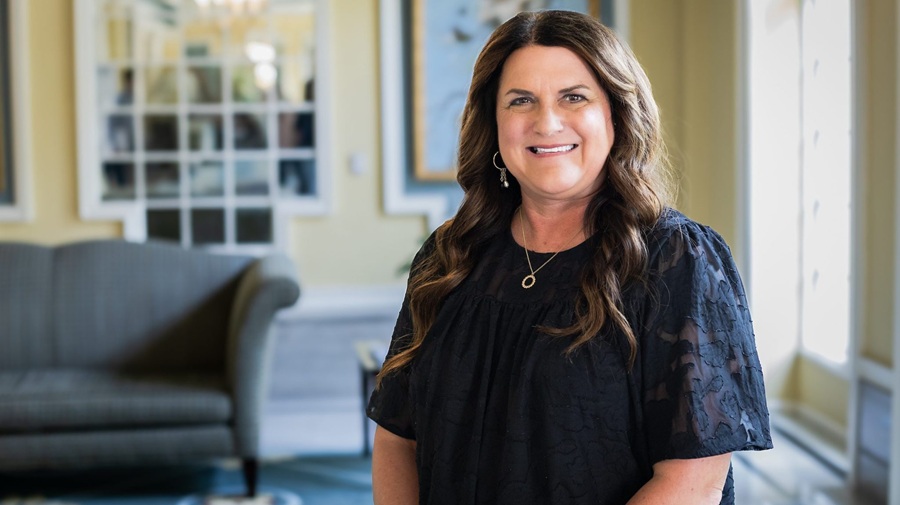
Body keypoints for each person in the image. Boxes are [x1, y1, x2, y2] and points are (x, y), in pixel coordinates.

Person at [368, 10, 772, 505]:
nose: (547, 122)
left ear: (616, 115)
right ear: (494, 124)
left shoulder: (677, 260)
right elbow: (396, 436)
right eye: (521, 101)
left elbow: (692, 481)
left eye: (573, 97)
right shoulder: (449, 256)